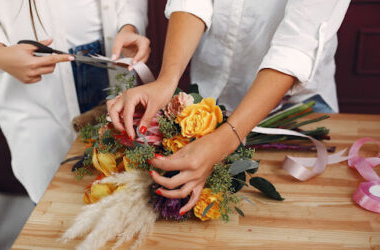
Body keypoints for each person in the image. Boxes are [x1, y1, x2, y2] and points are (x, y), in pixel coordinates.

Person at [107, 0, 350, 215]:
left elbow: (295, 46)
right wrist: (166, 82)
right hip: (212, 94)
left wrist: (227, 137)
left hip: (294, 103)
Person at [0, 0, 149, 203]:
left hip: (110, 60)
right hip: (38, 85)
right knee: (55, 203)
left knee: (123, 194)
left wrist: (129, 25)